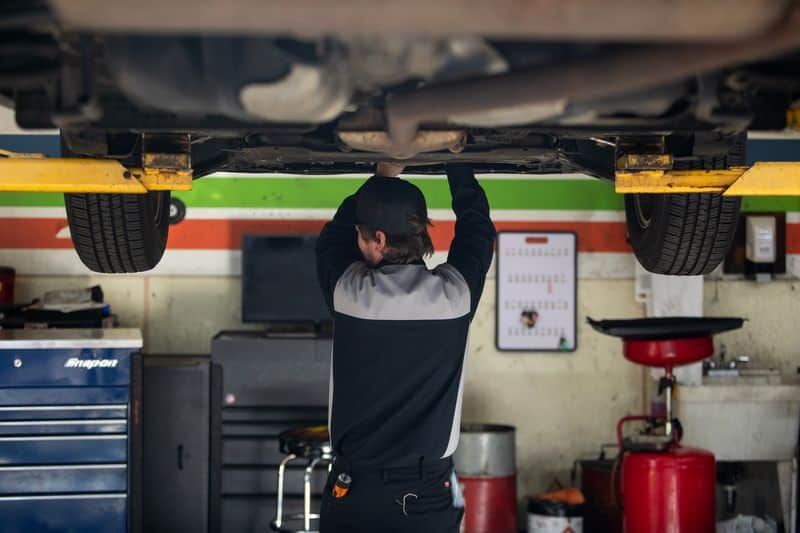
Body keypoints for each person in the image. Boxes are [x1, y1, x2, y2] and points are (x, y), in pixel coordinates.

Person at [315, 162, 496, 533]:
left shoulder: (350, 295)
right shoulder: (454, 298)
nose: (357, 242)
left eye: (361, 236)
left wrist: (390, 175)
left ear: (378, 240)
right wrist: (447, 167)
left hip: (356, 489)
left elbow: (330, 241)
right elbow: (478, 231)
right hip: (425, 492)